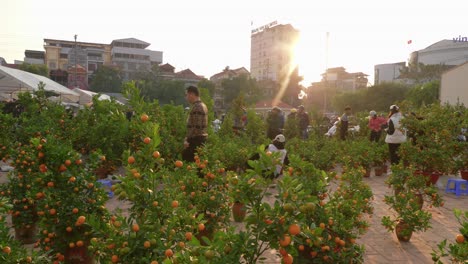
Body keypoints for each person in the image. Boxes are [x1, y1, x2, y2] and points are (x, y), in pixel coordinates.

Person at [182, 86, 208, 163]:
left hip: (196, 141)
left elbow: (196, 127)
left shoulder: (197, 107)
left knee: (189, 164)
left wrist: (187, 140)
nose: (186, 97)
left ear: (192, 94)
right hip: (200, 139)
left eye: (187, 95)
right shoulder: (202, 105)